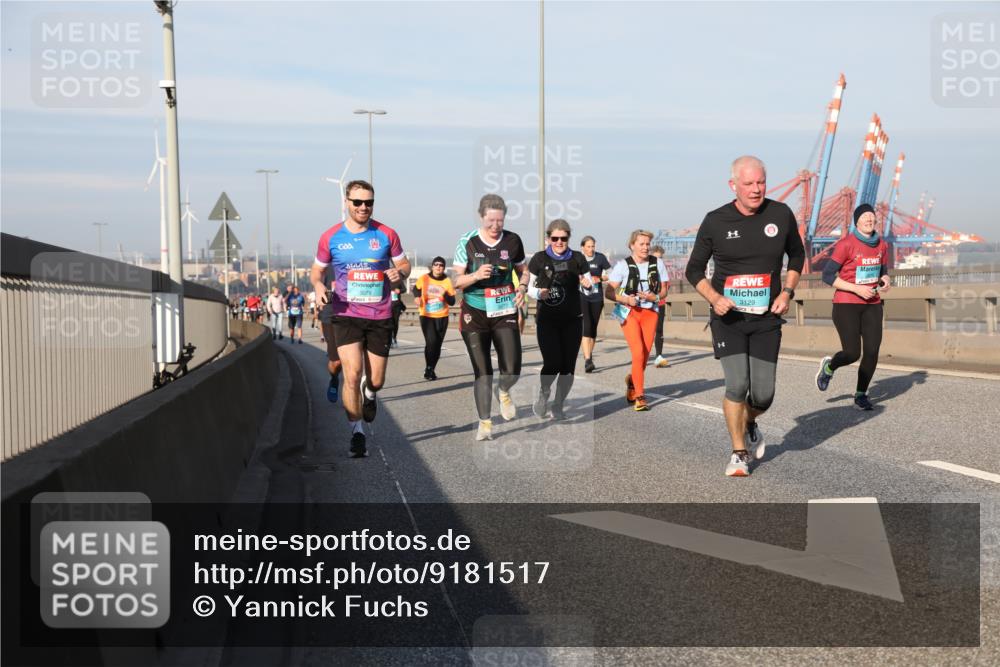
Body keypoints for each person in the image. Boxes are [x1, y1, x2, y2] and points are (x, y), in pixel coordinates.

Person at [685, 155, 805, 477]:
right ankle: (739, 453)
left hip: (766, 319)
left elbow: (797, 255)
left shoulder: (780, 214)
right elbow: (693, 269)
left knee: (763, 395)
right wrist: (714, 298)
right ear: (733, 185)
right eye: (748, 183)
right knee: (737, 385)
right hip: (729, 320)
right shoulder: (716, 221)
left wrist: (786, 292)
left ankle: (750, 420)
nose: (756, 189)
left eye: (761, 182)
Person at [310, 179, 410, 458]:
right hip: (346, 314)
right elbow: (317, 271)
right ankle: (357, 433)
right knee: (352, 374)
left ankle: (371, 391)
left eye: (369, 202)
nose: (363, 207)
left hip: (379, 315)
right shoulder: (330, 237)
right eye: (358, 202)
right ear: (346, 202)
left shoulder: (386, 234)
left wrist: (400, 272)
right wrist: (318, 286)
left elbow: (404, 264)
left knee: (376, 380)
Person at [452, 194, 527, 442]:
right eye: (490, 221)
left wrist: (522, 287)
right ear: (481, 217)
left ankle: (503, 390)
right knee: (483, 371)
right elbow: (455, 281)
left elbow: (523, 270)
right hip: (474, 312)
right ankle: (485, 423)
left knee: (513, 369)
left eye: (500, 221)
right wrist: (475, 276)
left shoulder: (513, 240)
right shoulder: (467, 241)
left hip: (504, 309)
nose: (495, 226)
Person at [815, 203, 891, 410]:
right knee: (852, 353)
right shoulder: (846, 244)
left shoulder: (882, 245)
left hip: (872, 303)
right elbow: (827, 275)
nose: (869, 219)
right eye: (864, 216)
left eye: (871, 216)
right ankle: (829, 367)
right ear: (857, 221)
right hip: (846, 304)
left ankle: (861, 395)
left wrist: (885, 280)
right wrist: (857, 289)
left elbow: (883, 271)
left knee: (872, 351)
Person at [527, 219, 592, 419]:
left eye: (563, 238)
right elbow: (529, 288)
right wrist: (539, 293)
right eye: (554, 238)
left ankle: (558, 405)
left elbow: (589, 287)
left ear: (568, 238)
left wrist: (588, 285)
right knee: (552, 363)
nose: (559, 242)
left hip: (572, 320)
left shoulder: (578, 258)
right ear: (548, 238)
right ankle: (544, 392)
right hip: (547, 320)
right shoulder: (539, 259)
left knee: (568, 367)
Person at [605, 230, 668, 413]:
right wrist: (626, 299)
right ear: (632, 245)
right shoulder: (622, 266)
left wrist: (655, 297)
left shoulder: (658, 263)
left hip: (650, 312)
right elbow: (608, 292)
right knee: (638, 352)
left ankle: (632, 381)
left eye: (648, 244)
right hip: (629, 312)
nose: (645, 247)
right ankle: (640, 397)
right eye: (641, 244)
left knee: (645, 354)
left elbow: (664, 290)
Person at [413, 257, 456, 380]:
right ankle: (429, 368)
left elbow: (452, 301)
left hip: (442, 316)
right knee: (431, 342)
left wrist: (444, 293)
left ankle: (430, 368)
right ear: (432, 266)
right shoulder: (424, 278)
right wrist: (417, 297)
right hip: (427, 315)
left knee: (437, 345)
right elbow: (416, 288)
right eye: (436, 264)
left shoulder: (447, 281)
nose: (438, 267)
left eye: (441, 265)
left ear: (444, 268)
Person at [579, 235, 611, 373]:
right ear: (582, 247)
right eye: (588, 246)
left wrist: (599, 278)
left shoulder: (600, 258)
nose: (591, 249)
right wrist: (580, 279)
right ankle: (587, 360)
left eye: (593, 246)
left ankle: (589, 355)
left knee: (593, 329)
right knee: (586, 326)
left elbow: (611, 274)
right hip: (582, 296)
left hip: (597, 297)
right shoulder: (578, 259)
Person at [650, 245, 672, 368]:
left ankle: (658, 356)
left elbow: (667, 286)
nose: (659, 260)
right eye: (656, 258)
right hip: (646, 305)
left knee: (659, 330)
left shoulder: (663, 270)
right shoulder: (645, 269)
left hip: (660, 303)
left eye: (661, 258)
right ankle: (641, 354)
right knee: (647, 331)